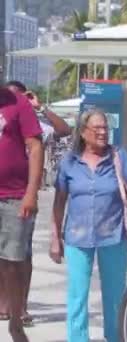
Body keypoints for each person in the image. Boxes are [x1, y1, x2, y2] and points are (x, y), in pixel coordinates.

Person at [50, 108, 127, 342]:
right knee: (77, 296)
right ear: (83, 132)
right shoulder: (69, 162)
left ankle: (115, 337)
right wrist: (55, 237)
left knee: (115, 296)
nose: (103, 132)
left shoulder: (118, 156)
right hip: (77, 235)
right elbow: (59, 201)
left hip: (112, 235)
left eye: (106, 128)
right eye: (98, 128)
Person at [0, 81, 71, 327]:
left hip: (16, 195)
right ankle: (5, 303)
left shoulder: (29, 113)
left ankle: (20, 307)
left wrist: (41, 107)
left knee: (19, 255)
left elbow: (64, 130)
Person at [0, 85, 43, 342]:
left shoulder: (18, 103)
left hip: (14, 197)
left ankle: (16, 320)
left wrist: (31, 191)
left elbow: (35, 147)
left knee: (13, 262)